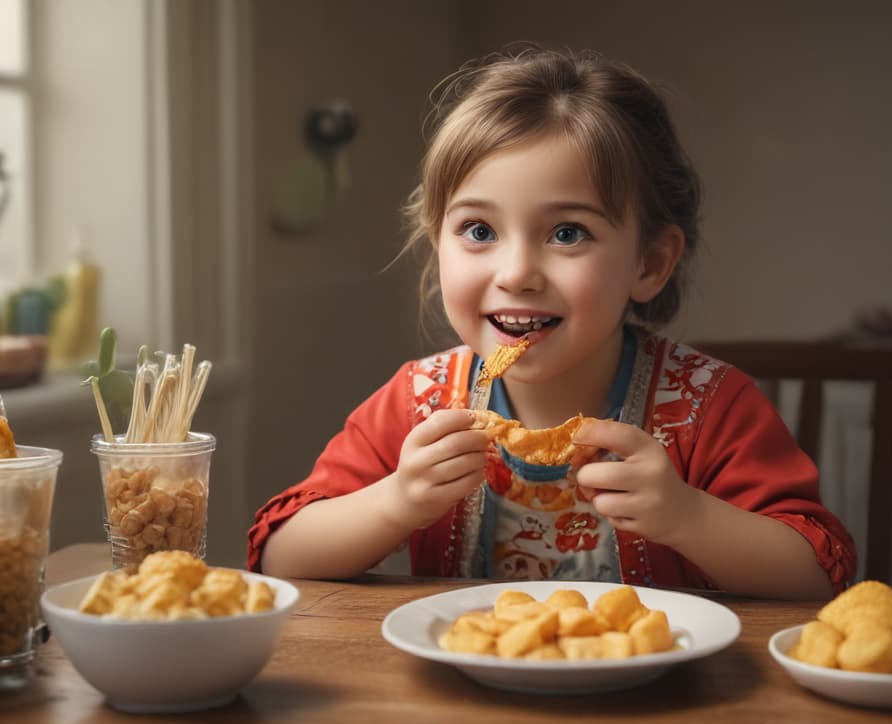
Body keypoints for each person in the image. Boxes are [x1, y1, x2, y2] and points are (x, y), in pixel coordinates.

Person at [248, 43, 855, 599]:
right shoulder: (418, 402)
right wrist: (394, 503)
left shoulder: (711, 409)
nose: (517, 272)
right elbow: (279, 557)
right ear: (438, 245)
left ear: (649, 262)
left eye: (568, 233)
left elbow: (815, 579)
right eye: (479, 231)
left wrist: (688, 517)